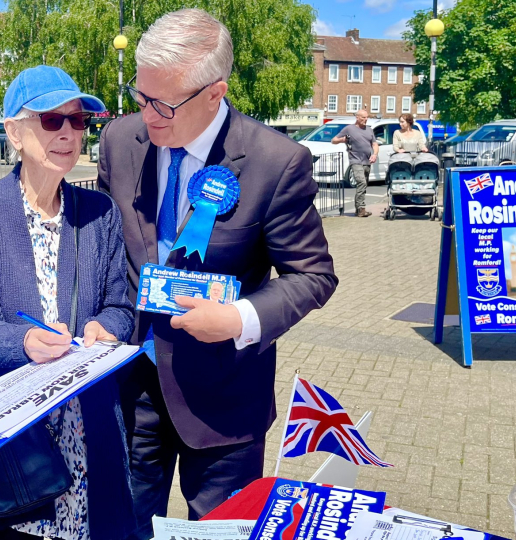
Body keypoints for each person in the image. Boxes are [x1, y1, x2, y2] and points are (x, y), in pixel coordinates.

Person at [97, 9, 338, 536]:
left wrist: (239, 318)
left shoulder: (277, 161)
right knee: (125, 526)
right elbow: (104, 248)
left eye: (162, 104)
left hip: (225, 402)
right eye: (140, 97)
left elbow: (314, 275)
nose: (148, 116)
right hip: (131, 386)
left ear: (214, 92)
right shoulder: (119, 140)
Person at [0, 65, 136, 540]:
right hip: (11, 451)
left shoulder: (99, 212)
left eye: (79, 121)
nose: (68, 133)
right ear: (14, 132)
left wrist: (106, 328)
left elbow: (120, 307)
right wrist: (21, 340)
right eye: (51, 120)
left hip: (86, 436)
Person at [332, 109, 378, 217]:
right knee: (361, 182)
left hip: (367, 161)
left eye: (367, 117)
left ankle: (358, 209)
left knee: (363, 185)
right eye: (363, 117)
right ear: (357, 117)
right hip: (355, 160)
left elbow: (375, 144)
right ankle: (361, 209)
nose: (365, 120)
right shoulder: (349, 129)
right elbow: (333, 140)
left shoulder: (369, 130)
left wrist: (374, 154)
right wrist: (342, 140)